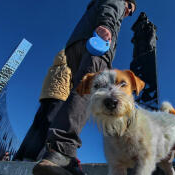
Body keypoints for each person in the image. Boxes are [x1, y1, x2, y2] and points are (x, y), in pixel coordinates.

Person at [32, 1, 137, 175]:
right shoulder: (119, 2)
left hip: (77, 45)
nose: (128, 13)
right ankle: (61, 152)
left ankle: (62, 153)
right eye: (130, 9)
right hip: (97, 42)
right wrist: (106, 26)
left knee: (79, 94)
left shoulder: (94, 6)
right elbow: (111, 6)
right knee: (88, 94)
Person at [14, 50, 72, 161]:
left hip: (45, 97)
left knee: (36, 126)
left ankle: (20, 155)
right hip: (59, 98)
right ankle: (33, 156)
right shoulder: (69, 68)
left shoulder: (53, 68)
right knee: (48, 125)